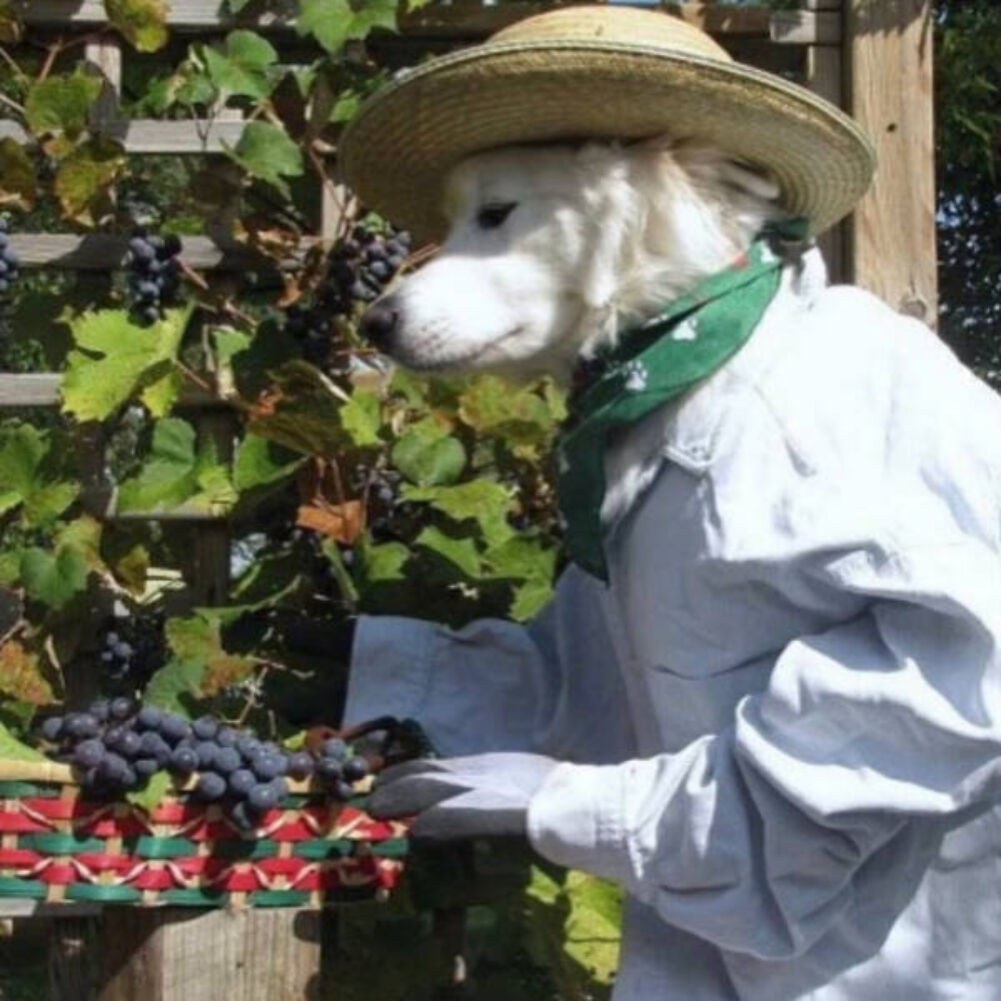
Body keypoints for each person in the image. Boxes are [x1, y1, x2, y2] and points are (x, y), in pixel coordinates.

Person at [333, 7, 1001, 999]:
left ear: (636, 192)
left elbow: (967, 672)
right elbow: (602, 683)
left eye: (498, 213)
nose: (411, 286)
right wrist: (383, 676)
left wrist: (598, 811)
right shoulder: (656, 426)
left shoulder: (833, 385)